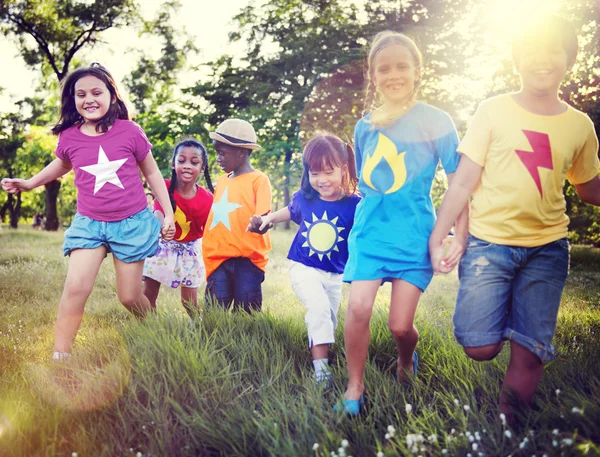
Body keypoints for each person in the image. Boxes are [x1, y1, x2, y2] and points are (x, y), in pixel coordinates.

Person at [429, 15, 600, 420]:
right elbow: (462, 182)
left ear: (569, 58)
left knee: (531, 355)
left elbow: (589, 188)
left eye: (553, 51)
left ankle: (508, 429)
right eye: (532, 51)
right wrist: (442, 236)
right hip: (490, 245)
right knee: (479, 346)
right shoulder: (493, 111)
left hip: (548, 251)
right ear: (517, 58)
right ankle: (506, 315)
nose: (542, 60)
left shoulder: (579, 125)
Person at [1, 63, 175, 360]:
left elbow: (153, 173)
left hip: (130, 223)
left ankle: (156, 329)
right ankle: (61, 356)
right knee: (76, 288)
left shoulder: (130, 132)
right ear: (73, 100)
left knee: (129, 296)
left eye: (97, 92)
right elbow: (62, 164)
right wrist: (29, 184)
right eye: (81, 94)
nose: (89, 99)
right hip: (90, 224)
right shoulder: (69, 136)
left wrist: (167, 212)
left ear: (112, 95)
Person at [339, 31, 468, 415]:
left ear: (416, 71)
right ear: (373, 76)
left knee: (399, 326)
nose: (393, 74)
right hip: (372, 234)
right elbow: (367, 182)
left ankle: (405, 359)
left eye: (401, 66)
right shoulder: (364, 126)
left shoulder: (437, 121)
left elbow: (461, 180)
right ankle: (354, 386)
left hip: (415, 237)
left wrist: (458, 235)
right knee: (359, 308)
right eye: (384, 68)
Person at [248, 133, 360, 385]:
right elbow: (288, 211)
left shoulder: (355, 205)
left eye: (328, 172)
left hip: (334, 273)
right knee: (318, 309)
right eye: (314, 173)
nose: (321, 180)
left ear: (344, 170)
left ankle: (327, 356)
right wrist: (266, 219)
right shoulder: (306, 197)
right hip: (303, 266)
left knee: (330, 318)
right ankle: (321, 373)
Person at [202, 119, 272, 313]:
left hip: (247, 260)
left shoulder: (259, 180)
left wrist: (261, 223)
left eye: (222, 153)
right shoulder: (222, 181)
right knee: (215, 313)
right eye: (217, 153)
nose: (218, 158)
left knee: (246, 312)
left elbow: (264, 216)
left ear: (241, 152)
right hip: (219, 258)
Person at [143, 138, 214, 315]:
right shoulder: (165, 187)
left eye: (194, 162)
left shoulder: (207, 199)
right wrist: (162, 226)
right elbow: (158, 209)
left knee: (189, 301)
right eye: (181, 161)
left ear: (202, 167)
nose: (187, 166)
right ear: (174, 164)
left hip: (190, 251)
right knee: (149, 294)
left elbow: (209, 229)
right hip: (163, 248)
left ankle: (197, 326)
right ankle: (148, 326)